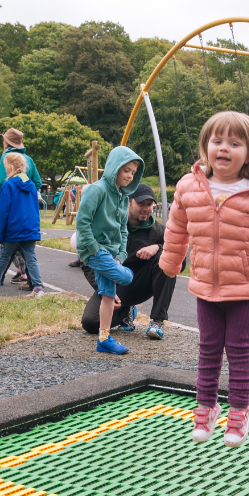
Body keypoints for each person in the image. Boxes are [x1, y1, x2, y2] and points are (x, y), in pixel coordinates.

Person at [159, 111, 249, 448]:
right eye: (217, 141)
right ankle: (205, 407)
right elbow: (176, 229)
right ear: (206, 146)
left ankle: (239, 412)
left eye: (235, 143)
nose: (224, 148)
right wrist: (171, 262)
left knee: (238, 347)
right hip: (205, 282)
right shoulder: (189, 187)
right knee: (207, 347)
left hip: (245, 286)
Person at [80, 183, 175, 340]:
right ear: (128, 202)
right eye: (141, 203)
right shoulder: (110, 226)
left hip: (142, 284)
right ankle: (127, 311)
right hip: (115, 286)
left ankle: (157, 320)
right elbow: (87, 261)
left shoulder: (159, 231)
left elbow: (178, 262)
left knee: (167, 256)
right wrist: (103, 289)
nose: (145, 208)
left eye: (149, 204)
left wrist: (158, 247)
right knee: (90, 323)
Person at [75, 146, 143, 355]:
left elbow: (123, 229)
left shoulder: (123, 196)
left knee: (107, 296)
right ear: (115, 168)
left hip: (111, 253)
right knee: (127, 277)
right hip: (94, 250)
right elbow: (82, 222)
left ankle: (103, 339)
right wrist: (94, 249)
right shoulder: (97, 190)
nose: (130, 176)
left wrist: (121, 255)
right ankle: (130, 307)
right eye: (126, 170)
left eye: (133, 172)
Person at [0, 152, 45, 297]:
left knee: (3, 256)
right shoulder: (31, 185)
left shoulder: (8, 185)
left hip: (13, 228)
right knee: (31, 257)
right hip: (29, 227)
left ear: (10, 167)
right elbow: (35, 208)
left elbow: (3, 211)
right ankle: (38, 288)